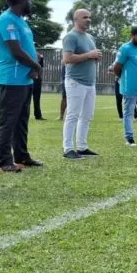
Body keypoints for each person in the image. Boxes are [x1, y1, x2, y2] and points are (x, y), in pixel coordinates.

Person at [0, 0, 43, 172]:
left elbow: (26, 48)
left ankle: (21, 155)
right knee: (8, 121)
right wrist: (36, 65)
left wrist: (34, 63)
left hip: (25, 79)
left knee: (22, 120)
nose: (30, 2)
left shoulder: (21, 21)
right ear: (21, 0)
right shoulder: (7, 20)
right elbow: (15, 50)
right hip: (12, 79)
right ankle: (4, 161)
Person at [60, 9, 101, 160]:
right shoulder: (70, 37)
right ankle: (68, 148)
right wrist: (89, 55)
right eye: (85, 17)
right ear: (76, 20)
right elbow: (67, 59)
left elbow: (89, 56)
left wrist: (95, 57)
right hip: (75, 82)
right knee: (73, 115)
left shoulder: (90, 37)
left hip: (90, 83)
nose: (89, 20)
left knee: (87, 116)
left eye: (89, 17)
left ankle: (82, 147)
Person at [31, 53, 45, 121]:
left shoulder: (40, 56)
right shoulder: (28, 54)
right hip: (28, 78)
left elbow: (41, 67)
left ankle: (38, 115)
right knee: (25, 99)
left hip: (37, 79)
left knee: (37, 98)